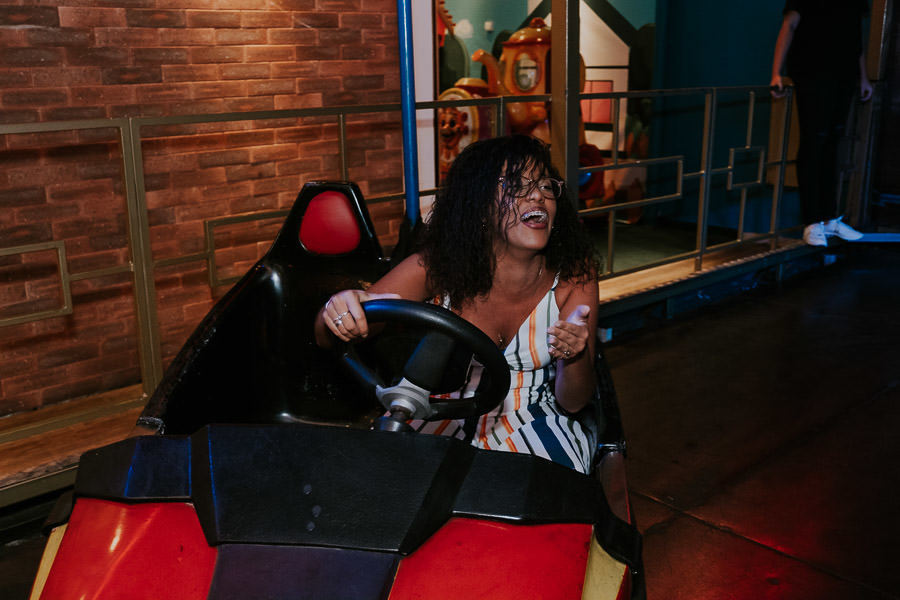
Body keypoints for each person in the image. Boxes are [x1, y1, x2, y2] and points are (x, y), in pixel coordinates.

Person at [314, 134, 601, 474]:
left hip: (531, 417)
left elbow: (574, 401)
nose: (538, 195)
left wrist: (576, 354)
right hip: (438, 412)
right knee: (379, 490)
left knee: (545, 497)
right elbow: (327, 335)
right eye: (516, 185)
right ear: (479, 205)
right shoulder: (438, 265)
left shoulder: (574, 276)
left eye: (545, 185)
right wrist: (341, 308)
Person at [770, 0, 872, 246]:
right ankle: (812, 221)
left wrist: (863, 77)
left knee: (832, 143)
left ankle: (829, 219)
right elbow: (789, 25)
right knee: (813, 141)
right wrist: (776, 72)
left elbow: (855, 38)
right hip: (813, 72)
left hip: (844, 74)